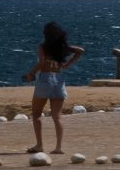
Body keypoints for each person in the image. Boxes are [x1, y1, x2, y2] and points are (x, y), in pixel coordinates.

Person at [22, 21, 83, 154]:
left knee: (37, 114)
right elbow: (80, 51)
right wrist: (68, 64)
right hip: (59, 79)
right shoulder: (63, 47)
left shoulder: (42, 47)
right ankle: (58, 147)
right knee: (57, 116)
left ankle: (39, 145)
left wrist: (31, 73)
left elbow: (42, 63)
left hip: (45, 79)